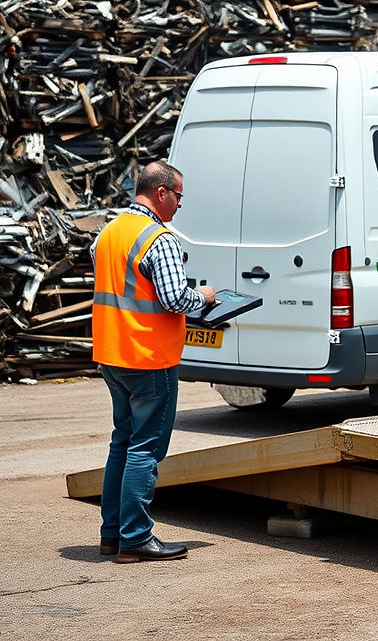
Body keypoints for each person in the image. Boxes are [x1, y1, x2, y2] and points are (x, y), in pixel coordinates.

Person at [92, 161, 216, 563]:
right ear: (161, 192)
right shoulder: (157, 239)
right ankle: (135, 538)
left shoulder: (109, 232)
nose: (180, 206)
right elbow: (175, 299)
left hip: (113, 355)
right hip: (148, 358)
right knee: (145, 449)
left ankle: (112, 535)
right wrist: (207, 297)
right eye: (179, 197)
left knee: (122, 444)